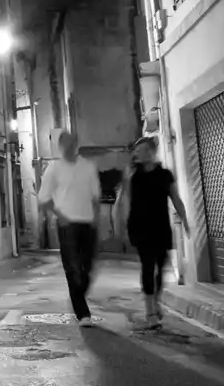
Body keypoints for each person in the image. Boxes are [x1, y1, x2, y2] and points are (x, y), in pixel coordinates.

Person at [114, 136, 190, 329]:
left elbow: (176, 198)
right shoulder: (132, 176)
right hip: (140, 228)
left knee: (161, 267)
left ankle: (155, 301)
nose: (139, 154)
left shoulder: (165, 175)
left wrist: (185, 219)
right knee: (148, 266)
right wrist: (120, 225)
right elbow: (125, 202)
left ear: (152, 152)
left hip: (161, 227)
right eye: (137, 152)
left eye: (143, 151)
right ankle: (150, 312)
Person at [36, 130, 105, 327]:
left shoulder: (87, 167)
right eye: (64, 143)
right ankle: (82, 313)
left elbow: (95, 196)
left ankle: (77, 294)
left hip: (88, 223)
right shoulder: (54, 169)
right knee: (73, 267)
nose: (67, 146)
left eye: (71, 142)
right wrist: (60, 217)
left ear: (76, 144)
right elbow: (44, 199)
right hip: (67, 224)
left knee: (88, 268)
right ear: (60, 146)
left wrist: (97, 219)